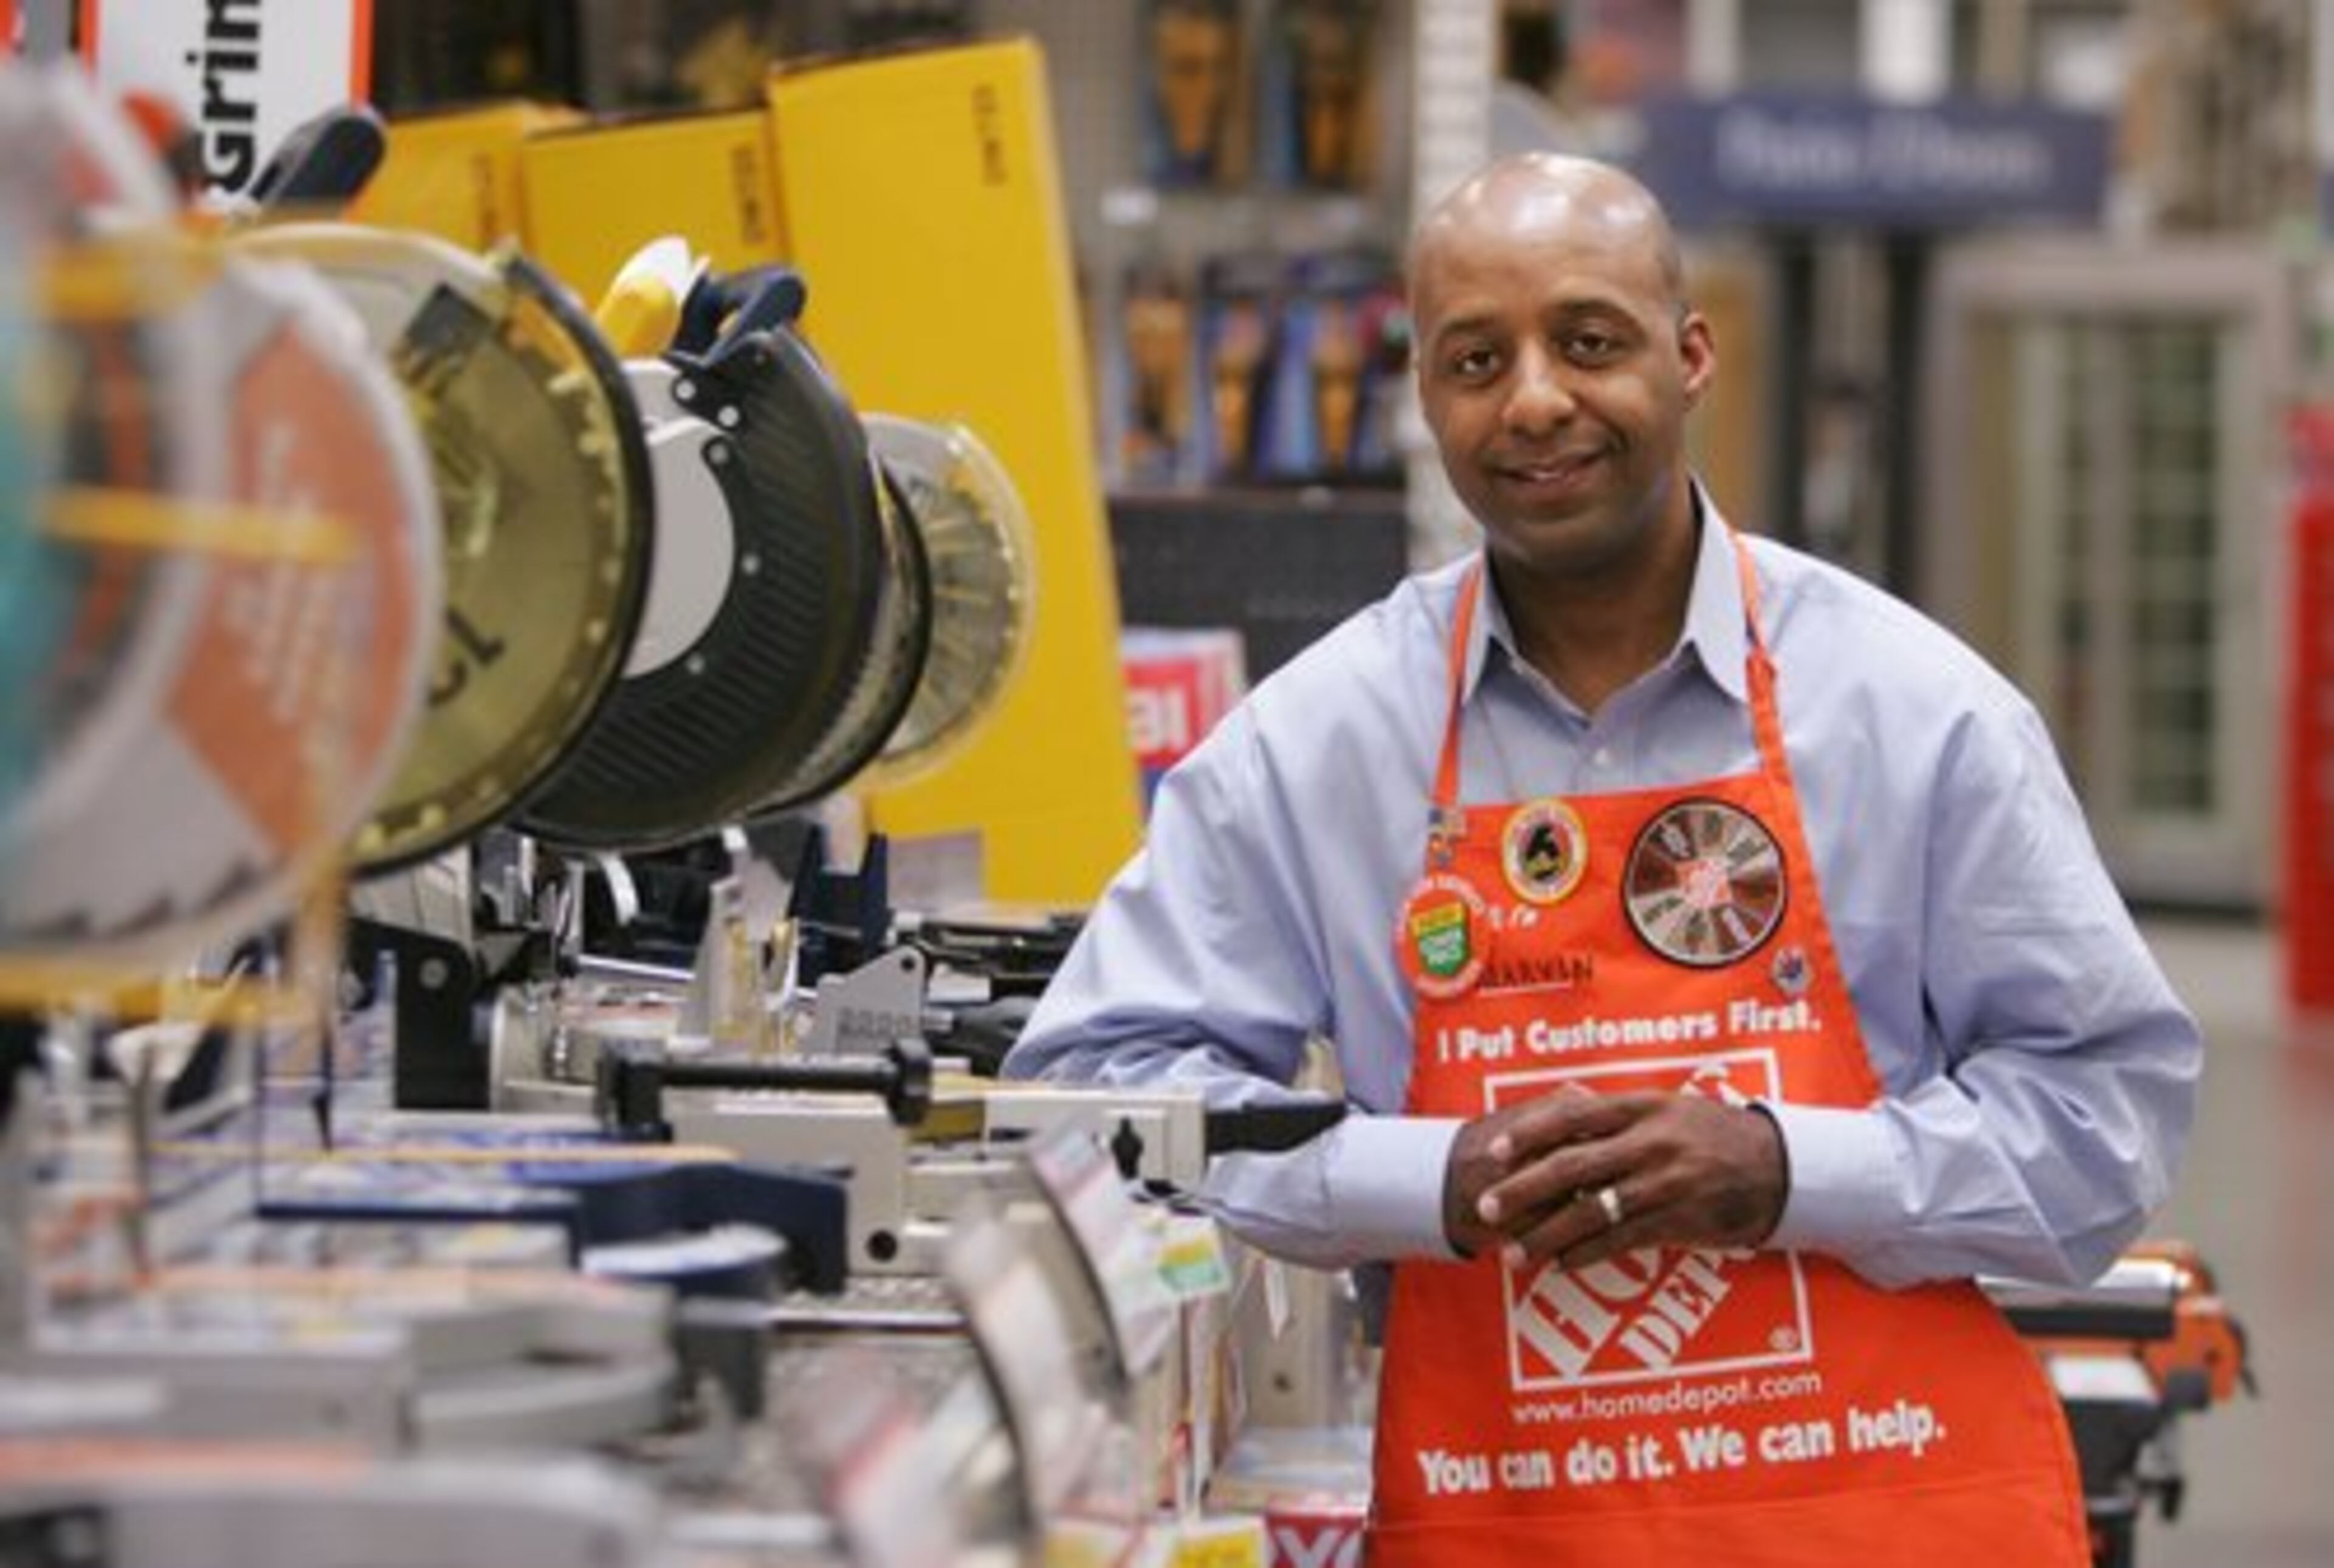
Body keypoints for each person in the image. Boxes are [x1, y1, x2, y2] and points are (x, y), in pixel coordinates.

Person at [1004, 153, 2198, 1563]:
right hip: (1518, 1530)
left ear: (1689, 358)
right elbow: (1090, 1096)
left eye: (1588, 340)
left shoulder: (1914, 713)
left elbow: (2109, 1122)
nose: (1533, 400)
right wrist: (1415, 1180)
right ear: (1424, 398)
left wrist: (1785, 1169)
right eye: (1472, 358)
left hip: (1884, 1516)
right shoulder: (1321, 745)